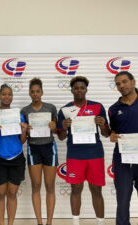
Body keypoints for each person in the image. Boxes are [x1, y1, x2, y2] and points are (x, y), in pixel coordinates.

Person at [57, 76, 110, 225]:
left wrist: (102, 125)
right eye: (76, 88)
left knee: (96, 190)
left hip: (95, 154)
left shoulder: (98, 107)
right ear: (72, 90)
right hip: (75, 155)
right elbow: (61, 137)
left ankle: (100, 222)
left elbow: (106, 134)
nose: (79, 90)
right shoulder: (65, 110)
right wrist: (64, 127)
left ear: (86, 89)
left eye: (82, 88)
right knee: (75, 189)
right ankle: (76, 222)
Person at [0, 84, 27, 225]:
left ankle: (10, 223)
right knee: (0, 194)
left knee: (12, 193)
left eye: (9, 94)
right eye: (4, 94)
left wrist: (24, 130)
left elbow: (22, 141)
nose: (7, 97)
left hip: (16, 157)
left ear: (12, 96)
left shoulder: (19, 115)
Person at [21, 78, 58, 225]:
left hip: (49, 148)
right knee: (36, 186)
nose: (35, 94)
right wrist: (26, 130)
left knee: (50, 186)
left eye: (38, 91)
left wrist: (53, 126)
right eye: (32, 92)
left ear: (42, 92)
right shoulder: (25, 111)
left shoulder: (51, 108)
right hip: (33, 149)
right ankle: (40, 222)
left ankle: (49, 222)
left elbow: (56, 130)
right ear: (29, 93)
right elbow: (23, 137)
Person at [109, 71, 138, 225]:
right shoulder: (113, 109)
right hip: (122, 159)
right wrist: (112, 135)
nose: (121, 86)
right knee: (122, 199)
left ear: (133, 81)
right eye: (118, 84)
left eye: (124, 81)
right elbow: (114, 130)